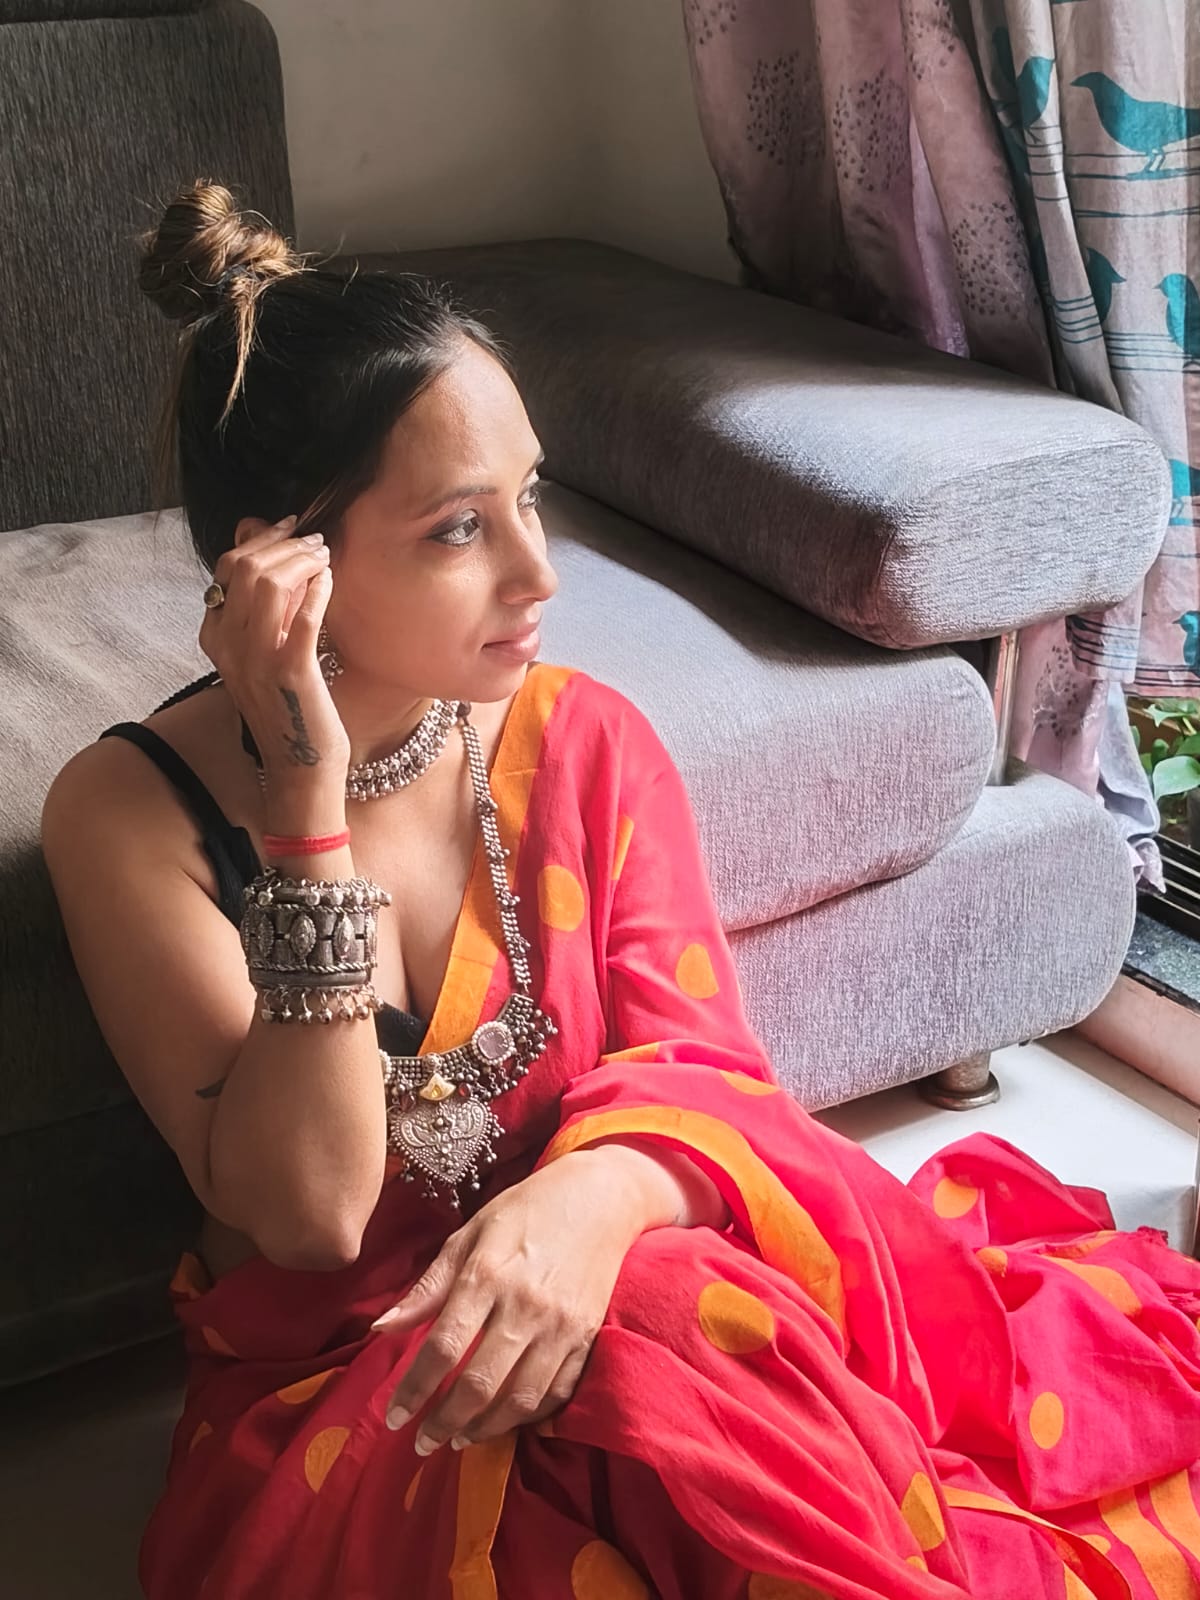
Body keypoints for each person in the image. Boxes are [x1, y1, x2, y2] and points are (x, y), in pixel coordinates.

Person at [42, 182, 1200, 1600]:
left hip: (626, 1297)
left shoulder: (581, 743)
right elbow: (313, 1219)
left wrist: (585, 1211)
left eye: (529, 498)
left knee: (672, 1317)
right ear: (281, 566)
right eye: (458, 529)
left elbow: (710, 1080)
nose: (539, 572)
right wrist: (304, 812)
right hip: (351, 1380)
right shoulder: (129, 815)